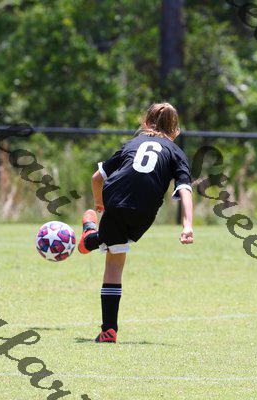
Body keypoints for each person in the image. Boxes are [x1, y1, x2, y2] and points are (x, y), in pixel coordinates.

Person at [78, 102, 194, 343]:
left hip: (116, 199)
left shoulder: (132, 144)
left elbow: (96, 177)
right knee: (117, 250)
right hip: (145, 212)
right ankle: (91, 239)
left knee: (113, 260)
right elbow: (185, 189)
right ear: (175, 130)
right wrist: (187, 225)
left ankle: (90, 238)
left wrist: (99, 203)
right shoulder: (176, 152)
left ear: (146, 123)